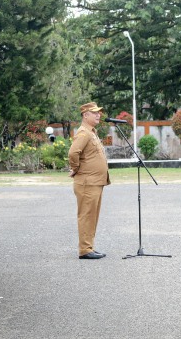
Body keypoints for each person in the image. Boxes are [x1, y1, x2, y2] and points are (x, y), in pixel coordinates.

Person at [68, 102, 110, 259]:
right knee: (86, 215)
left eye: (99, 112)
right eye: (94, 112)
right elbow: (73, 153)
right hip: (87, 182)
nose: (98, 114)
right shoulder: (84, 133)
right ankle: (85, 250)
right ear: (85, 115)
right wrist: (76, 168)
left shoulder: (92, 132)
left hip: (95, 182)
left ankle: (89, 247)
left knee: (92, 216)